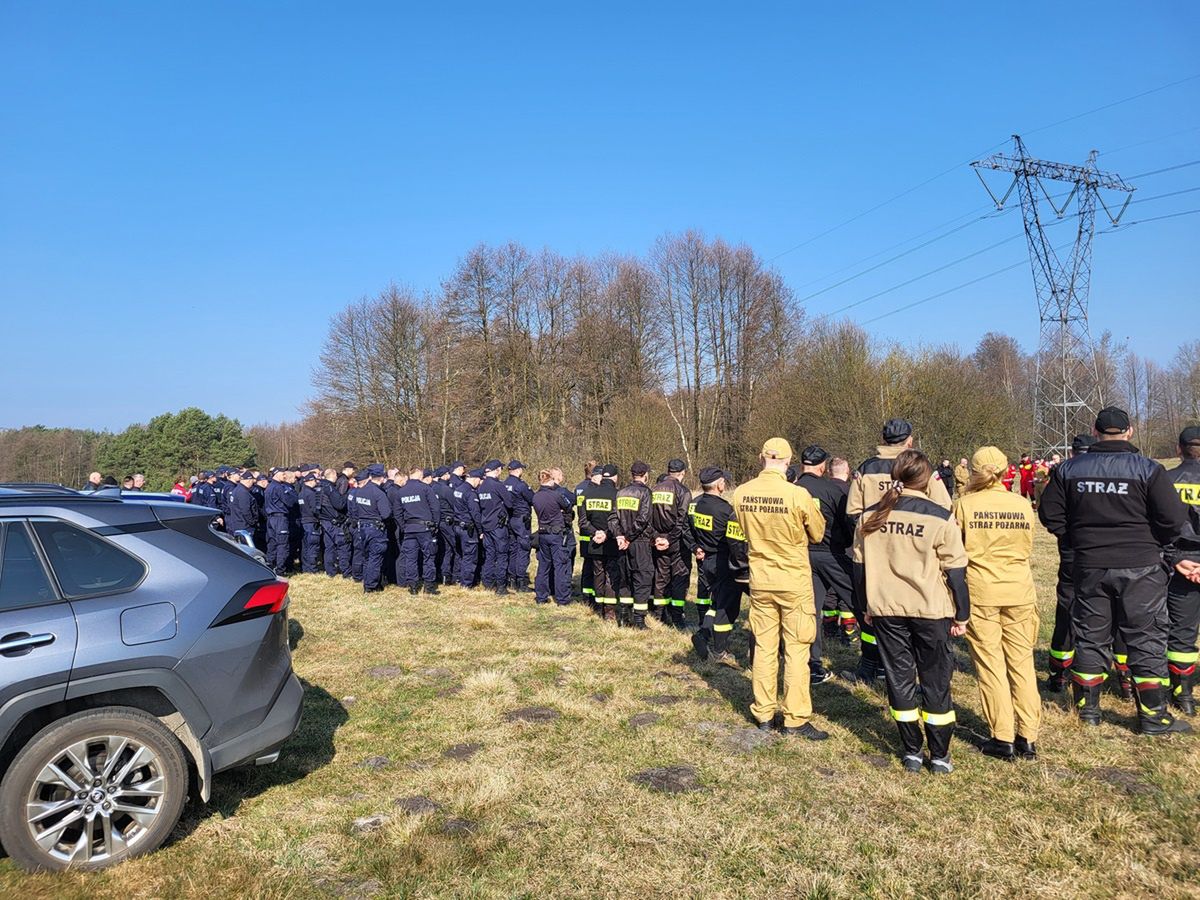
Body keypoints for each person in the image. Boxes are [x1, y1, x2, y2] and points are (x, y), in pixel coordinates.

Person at [1039, 407, 1190, 734]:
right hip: (1141, 566)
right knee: (1145, 636)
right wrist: (1155, 544)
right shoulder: (1148, 469)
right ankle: (1153, 716)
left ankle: (1088, 711)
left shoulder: (1068, 469)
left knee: (1091, 635)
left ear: (1095, 431)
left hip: (1090, 564)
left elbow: (1050, 514)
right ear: (1130, 431)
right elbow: (1173, 520)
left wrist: (1075, 538)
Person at [853, 449, 970, 774]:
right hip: (930, 610)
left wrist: (865, 607)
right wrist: (962, 613)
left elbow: (858, 569)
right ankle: (941, 755)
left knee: (899, 680)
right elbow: (957, 572)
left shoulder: (870, 517)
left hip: (886, 609)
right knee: (935, 681)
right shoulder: (940, 517)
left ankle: (912, 752)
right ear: (927, 479)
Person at [732, 438, 828, 740]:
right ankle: (794, 718)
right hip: (793, 580)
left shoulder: (741, 493)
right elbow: (818, 532)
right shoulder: (798, 494)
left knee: (763, 646)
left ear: (762, 458)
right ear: (788, 462)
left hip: (761, 579)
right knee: (797, 649)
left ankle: (763, 712)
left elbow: (744, 530)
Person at [846, 418, 952, 684]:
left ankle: (872, 664)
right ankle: (914, 669)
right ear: (909, 440)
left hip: (875, 552)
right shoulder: (921, 466)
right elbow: (943, 506)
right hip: (916, 548)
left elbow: (853, 512)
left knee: (874, 608)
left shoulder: (867, 468)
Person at [953, 447, 1040, 761]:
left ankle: (1002, 737)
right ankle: (1028, 736)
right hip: (1018, 590)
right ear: (1007, 471)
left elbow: (955, 550)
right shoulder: (1022, 505)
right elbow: (1027, 545)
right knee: (1021, 664)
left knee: (991, 666)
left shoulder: (963, 505)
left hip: (981, 592)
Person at [1041, 434, 1096, 692]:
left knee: (1066, 611)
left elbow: (1048, 512)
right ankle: (1124, 678)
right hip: (1104, 552)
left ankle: (1059, 675)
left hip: (1073, 551)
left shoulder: (1064, 471)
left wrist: (1066, 534)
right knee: (1110, 611)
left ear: (1073, 452)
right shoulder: (1104, 470)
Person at [797, 445, 849, 685]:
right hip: (833, 553)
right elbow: (848, 524)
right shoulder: (833, 490)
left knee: (811, 611)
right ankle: (875, 659)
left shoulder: (793, 490)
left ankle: (812, 663)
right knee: (861, 602)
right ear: (822, 466)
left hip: (802, 555)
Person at [690, 466, 742, 666]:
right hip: (723, 561)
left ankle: (703, 633)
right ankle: (720, 651)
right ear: (720, 485)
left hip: (706, 560)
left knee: (716, 602)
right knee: (726, 608)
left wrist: (697, 547)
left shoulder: (697, 505)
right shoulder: (725, 510)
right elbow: (734, 540)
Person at [1166, 426, 1200, 715]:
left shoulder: (1165, 481)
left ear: (1179, 449)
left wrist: (1175, 557)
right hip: (1186, 561)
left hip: (1180, 564)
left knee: (1181, 631)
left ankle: (1183, 695)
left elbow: (1154, 526)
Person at [651, 459, 692, 629]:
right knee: (679, 579)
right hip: (676, 543)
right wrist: (669, 539)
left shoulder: (653, 489)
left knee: (661, 577)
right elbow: (682, 521)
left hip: (657, 541)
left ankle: (659, 614)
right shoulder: (683, 491)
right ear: (683, 473)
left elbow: (647, 518)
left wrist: (656, 538)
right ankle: (677, 616)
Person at [615, 461, 654, 628]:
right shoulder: (645, 492)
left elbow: (613, 518)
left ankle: (623, 617)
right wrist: (628, 537)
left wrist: (619, 536)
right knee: (642, 579)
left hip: (623, 542)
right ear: (645, 475)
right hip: (639, 541)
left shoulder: (621, 492)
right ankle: (639, 620)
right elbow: (643, 519)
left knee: (625, 578)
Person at [580, 464, 622, 621]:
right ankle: (610, 611)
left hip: (594, 541)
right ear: (615, 477)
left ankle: (598, 608)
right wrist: (606, 533)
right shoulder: (618, 495)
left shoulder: (587, 494)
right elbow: (619, 522)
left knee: (598, 574)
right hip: (611, 542)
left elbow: (582, 522)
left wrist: (594, 532)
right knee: (611, 575)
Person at [532, 468, 575, 606]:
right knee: (560, 566)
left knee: (543, 566)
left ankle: (541, 597)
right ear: (550, 480)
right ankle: (562, 599)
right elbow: (568, 506)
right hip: (556, 534)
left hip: (542, 533)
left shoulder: (535, 496)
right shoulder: (556, 495)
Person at [397, 467, 441, 595]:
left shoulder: (402, 491)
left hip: (409, 529)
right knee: (429, 557)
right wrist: (435, 525)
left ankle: (413, 586)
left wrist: (403, 527)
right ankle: (429, 586)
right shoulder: (426, 488)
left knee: (410, 558)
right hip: (425, 529)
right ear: (420, 475)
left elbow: (398, 512)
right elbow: (436, 508)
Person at [477, 460, 514, 594]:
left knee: (490, 555)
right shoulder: (498, 485)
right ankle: (501, 586)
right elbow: (509, 504)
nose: (500, 472)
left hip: (486, 524)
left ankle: (487, 583)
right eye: (500, 470)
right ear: (496, 470)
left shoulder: (481, 486)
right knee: (502, 555)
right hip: (498, 526)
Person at [355, 464, 393, 593]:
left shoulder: (360, 490)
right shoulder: (379, 493)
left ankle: (367, 582)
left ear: (371, 476)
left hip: (363, 528)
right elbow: (386, 514)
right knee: (375, 558)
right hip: (376, 529)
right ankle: (371, 586)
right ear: (382, 478)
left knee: (367, 557)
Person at [504, 460, 536, 592]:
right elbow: (532, 499)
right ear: (518, 470)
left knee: (513, 548)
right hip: (522, 520)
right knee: (523, 548)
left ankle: (511, 578)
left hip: (510, 519)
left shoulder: (504, 484)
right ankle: (521, 580)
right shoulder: (521, 485)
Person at [452, 469, 484, 588]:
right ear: (475, 478)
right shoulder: (471, 493)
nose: (479, 484)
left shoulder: (458, 489)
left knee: (461, 554)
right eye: (479, 481)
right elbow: (475, 513)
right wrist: (481, 530)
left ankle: (458, 578)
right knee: (470, 556)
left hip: (457, 526)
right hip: (468, 529)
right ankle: (466, 583)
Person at [264, 468, 298, 575]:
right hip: (280, 518)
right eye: (283, 474)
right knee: (282, 545)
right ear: (276, 474)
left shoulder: (269, 487)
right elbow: (289, 502)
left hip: (271, 518)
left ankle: (270, 566)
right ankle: (280, 570)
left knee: (272, 544)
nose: (284, 476)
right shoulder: (279, 487)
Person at [575, 462, 600, 608]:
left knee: (586, 565)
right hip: (593, 532)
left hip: (584, 531)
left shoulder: (578, 488)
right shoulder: (593, 491)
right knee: (594, 566)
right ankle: (592, 595)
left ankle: (585, 594)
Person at [318, 467, 351, 577]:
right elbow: (339, 504)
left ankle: (330, 571)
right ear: (333, 476)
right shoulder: (329, 488)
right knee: (342, 546)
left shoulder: (319, 486)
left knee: (329, 547)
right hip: (333, 522)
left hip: (324, 520)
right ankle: (346, 572)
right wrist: (347, 495)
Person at [431, 467, 459, 586]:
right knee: (456, 548)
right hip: (448, 522)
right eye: (448, 473)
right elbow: (455, 505)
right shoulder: (446, 489)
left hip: (438, 522)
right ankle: (455, 576)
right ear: (444, 475)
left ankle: (444, 575)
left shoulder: (432, 488)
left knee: (445, 549)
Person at [297, 471, 322, 574]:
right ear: (310, 481)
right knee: (312, 545)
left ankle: (306, 567)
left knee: (305, 546)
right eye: (315, 480)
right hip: (311, 522)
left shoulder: (301, 493)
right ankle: (312, 569)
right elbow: (314, 509)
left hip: (304, 521)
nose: (316, 482)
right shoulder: (311, 493)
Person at [225, 471, 260, 541]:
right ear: (249, 480)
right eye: (252, 481)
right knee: (246, 548)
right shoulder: (243, 493)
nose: (253, 483)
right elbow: (245, 510)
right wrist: (252, 522)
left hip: (238, 523)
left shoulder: (237, 489)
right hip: (244, 526)